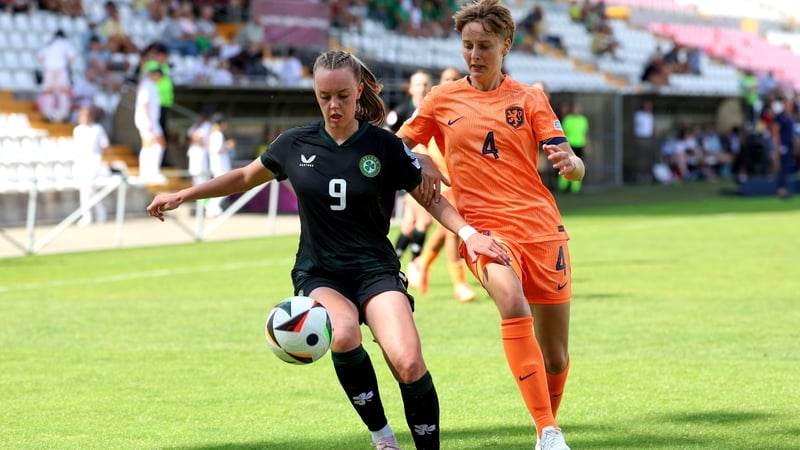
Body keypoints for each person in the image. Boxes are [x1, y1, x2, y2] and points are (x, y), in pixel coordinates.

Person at [146, 49, 510, 450]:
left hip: (376, 270)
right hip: (321, 273)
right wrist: (185, 193)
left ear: (358, 92)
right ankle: (382, 437)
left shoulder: (383, 146)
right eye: (324, 97)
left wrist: (469, 233)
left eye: (342, 95)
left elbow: (432, 199)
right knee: (344, 334)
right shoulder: (294, 143)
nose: (333, 105)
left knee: (408, 363)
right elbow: (245, 177)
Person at [396, 1, 584, 448]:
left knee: (555, 357)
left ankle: (546, 431)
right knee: (512, 303)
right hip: (484, 230)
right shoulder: (441, 99)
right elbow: (397, 145)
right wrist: (418, 156)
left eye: (484, 45)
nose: (475, 55)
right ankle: (548, 429)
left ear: (506, 44)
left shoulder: (530, 99)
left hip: (542, 230)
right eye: (467, 46)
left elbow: (570, 163)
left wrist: (573, 163)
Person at [406, 67, 477, 303]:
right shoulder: (435, 107)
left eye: (454, 78)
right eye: (446, 78)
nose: (450, 82)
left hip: (463, 178)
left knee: (445, 227)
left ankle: (422, 263)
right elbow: (411, 139)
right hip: (441, 176)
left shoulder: (467, 108)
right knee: (451, 230)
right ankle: (459, 284)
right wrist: (424, 161)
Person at [388, 71, 435, 264]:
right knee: (424, 221)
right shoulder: (401, 112)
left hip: (432, 171)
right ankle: (417, 264)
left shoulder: (436, 110)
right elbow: (386, 137)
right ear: (411, 87)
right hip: (411, 172)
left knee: (408, 224)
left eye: (425, 84)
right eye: (418, 84)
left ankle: (394, 263)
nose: (422, 88)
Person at [72, 106, 110, 227]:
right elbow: (77, 149)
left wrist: (108, 161)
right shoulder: (77, 130)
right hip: (81, 163)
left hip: (94, 163)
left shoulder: (98, 129)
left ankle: (87, 216)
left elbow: (105, 146)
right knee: (90, 191)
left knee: (87, 190)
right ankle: (101, 213)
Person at [37, 29, 78, 123]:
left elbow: (40, 58)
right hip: (61, 71)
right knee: (63, 94)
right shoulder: (65, 43)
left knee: (49, 94)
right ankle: (64, 115)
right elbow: (72, 57)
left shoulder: (49, 44)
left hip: (49, 72)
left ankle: (48, 115)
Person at [134, 61, 166, 183]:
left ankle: (152, 171)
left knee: (158, 144)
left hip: (151, 120)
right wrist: (147, 120)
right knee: (149, 144)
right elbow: (144, 103)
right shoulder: (146, 85)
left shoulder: (151, 85)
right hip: (147, 120)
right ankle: (147, 173)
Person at [205, 113, 236, 217]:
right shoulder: (217, 134)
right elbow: (218, 150)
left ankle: (213, 208)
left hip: (218, 166)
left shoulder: (213, 134)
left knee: (222, 189)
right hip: (220, 166)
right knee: (225, 189)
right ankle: (211, 207)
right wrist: (228, 146)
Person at [770, 95, 796, 199]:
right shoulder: (780, 117)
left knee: (787, 168)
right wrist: (778, 146)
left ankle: (784, 189)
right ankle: (781, 190)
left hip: (789, 145)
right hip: (783, 146)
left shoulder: (790, 117)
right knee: (782, 168)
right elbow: (775, 132)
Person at [558, 103, 589, 194]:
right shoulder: (568, 119)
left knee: (579, 165)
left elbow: (585, 133)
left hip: (580, 145)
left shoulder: (583, 120)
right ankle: (563, 186)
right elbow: (564, 132)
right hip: (570, 145)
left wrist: (587, 145)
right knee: (566, 165)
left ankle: (575, 188)